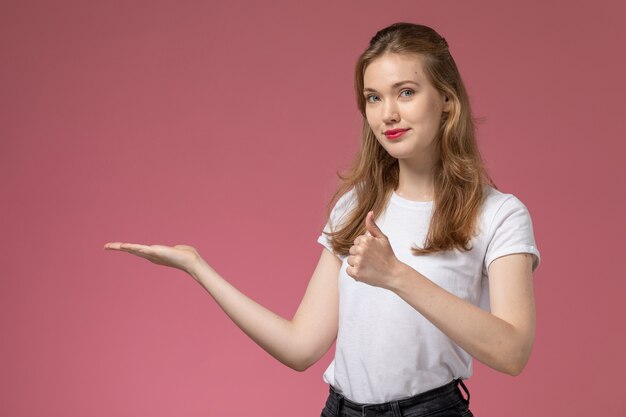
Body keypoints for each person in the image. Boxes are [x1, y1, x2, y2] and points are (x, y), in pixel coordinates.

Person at [104, 22, 540, 417]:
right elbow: (300, 347)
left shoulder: (498, 214)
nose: (387, 113)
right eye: (373, 97)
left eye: (406, 92)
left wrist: (396, 276)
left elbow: (513, 351)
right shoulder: (355, 207)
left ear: (446, 98)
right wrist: (196, 267)